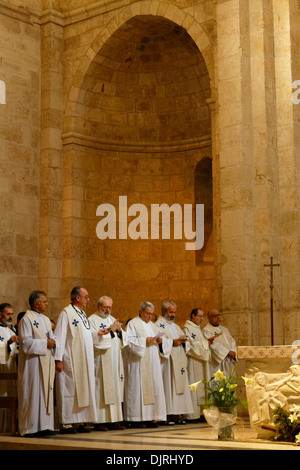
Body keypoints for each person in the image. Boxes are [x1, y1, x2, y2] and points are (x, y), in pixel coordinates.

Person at [54, 286, 105, 434]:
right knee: (70, 390)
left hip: (84, 359)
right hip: (70, 359)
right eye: (86, 297)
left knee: (83, 390)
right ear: (78, 298)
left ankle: (79, 420)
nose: (88, 300)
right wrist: (58, 359)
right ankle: (67, 423)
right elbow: (60, 335)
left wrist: (97, 333)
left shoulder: (82, 314)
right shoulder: (66, 313)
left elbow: (86, 335)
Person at [18, 291, 56, 437]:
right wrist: (45, 343)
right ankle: (29, 428)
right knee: (32, 394)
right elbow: (25, 343)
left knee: (45, 392)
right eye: (44, 301)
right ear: (36, 303)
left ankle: (44, 425)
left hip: (46, 361)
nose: (47, 304)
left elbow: (51, 338)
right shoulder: (26, 320)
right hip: (32, 364)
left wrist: (53, 343)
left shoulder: (46, 319)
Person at [123, 301, 167, 428]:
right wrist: (143, 341)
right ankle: (137, 419)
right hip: (139, 362)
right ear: (141, 311)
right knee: (138, 389)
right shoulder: (133, 324)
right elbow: (128, 342)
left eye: (152, 314)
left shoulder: (153, 326)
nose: (150, 317)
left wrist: (158, 341)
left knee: (154, 387)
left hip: (152, 362)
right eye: (148, 313)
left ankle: (151, 417)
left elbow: (159, 342)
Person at [89, 296, 128, 431]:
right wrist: (107, 332)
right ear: (98, 306)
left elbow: (124, 340)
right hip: (101, 360)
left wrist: (119, 331)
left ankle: (115, 420)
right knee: (101, 389)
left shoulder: (112, 319)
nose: (107, 310)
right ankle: (100, 421)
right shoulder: (91, 320)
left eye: (110, 307)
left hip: (115, 360)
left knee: (116, 388)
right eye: (105, 307)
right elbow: (92, 339)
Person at [155, 300, 193, 425]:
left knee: (177, 387)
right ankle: (167, 415)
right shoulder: (158, 325)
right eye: (171, 312)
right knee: (169, 386)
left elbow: (186, 342)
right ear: (163, 311)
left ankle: (177, 414)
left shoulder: (176, 326)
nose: (173, 315)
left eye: (174, 312)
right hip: (167, 364)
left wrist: (183, 342)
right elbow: (159, 342)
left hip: (178, 361)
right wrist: (172, 342)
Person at [183, 308, 216, 422]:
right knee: (194, 385)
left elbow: (200, 344)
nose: (201, 319)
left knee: (202, 387)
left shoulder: (198, 329)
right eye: (199, 316)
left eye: (202, 317)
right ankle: (192, 415)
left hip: (200, 362)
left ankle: (201, 413)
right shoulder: (187, 328)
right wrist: (205, 343)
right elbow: (191, 346)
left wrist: (206, 343)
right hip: (193, 362)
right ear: (193, 316)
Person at [202, 309, 237, 377]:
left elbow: (232, 341)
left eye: (218, 315)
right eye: (215, 316)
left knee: (230, 382)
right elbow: (212, 345)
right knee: (219, 383)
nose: (218, 317)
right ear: (209, 317)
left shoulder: (224, 329)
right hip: (218, 363)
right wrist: (227, 352)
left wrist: (233, 350)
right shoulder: (206, 330)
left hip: (229, 360)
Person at [0, 303, 18, 433]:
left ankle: (9, 427)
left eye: (12, 314)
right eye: (8, 314)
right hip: (2, 370)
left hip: (12, 369)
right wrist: (8, 343)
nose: (11, 316)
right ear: (0, 315)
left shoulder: (12, 330)